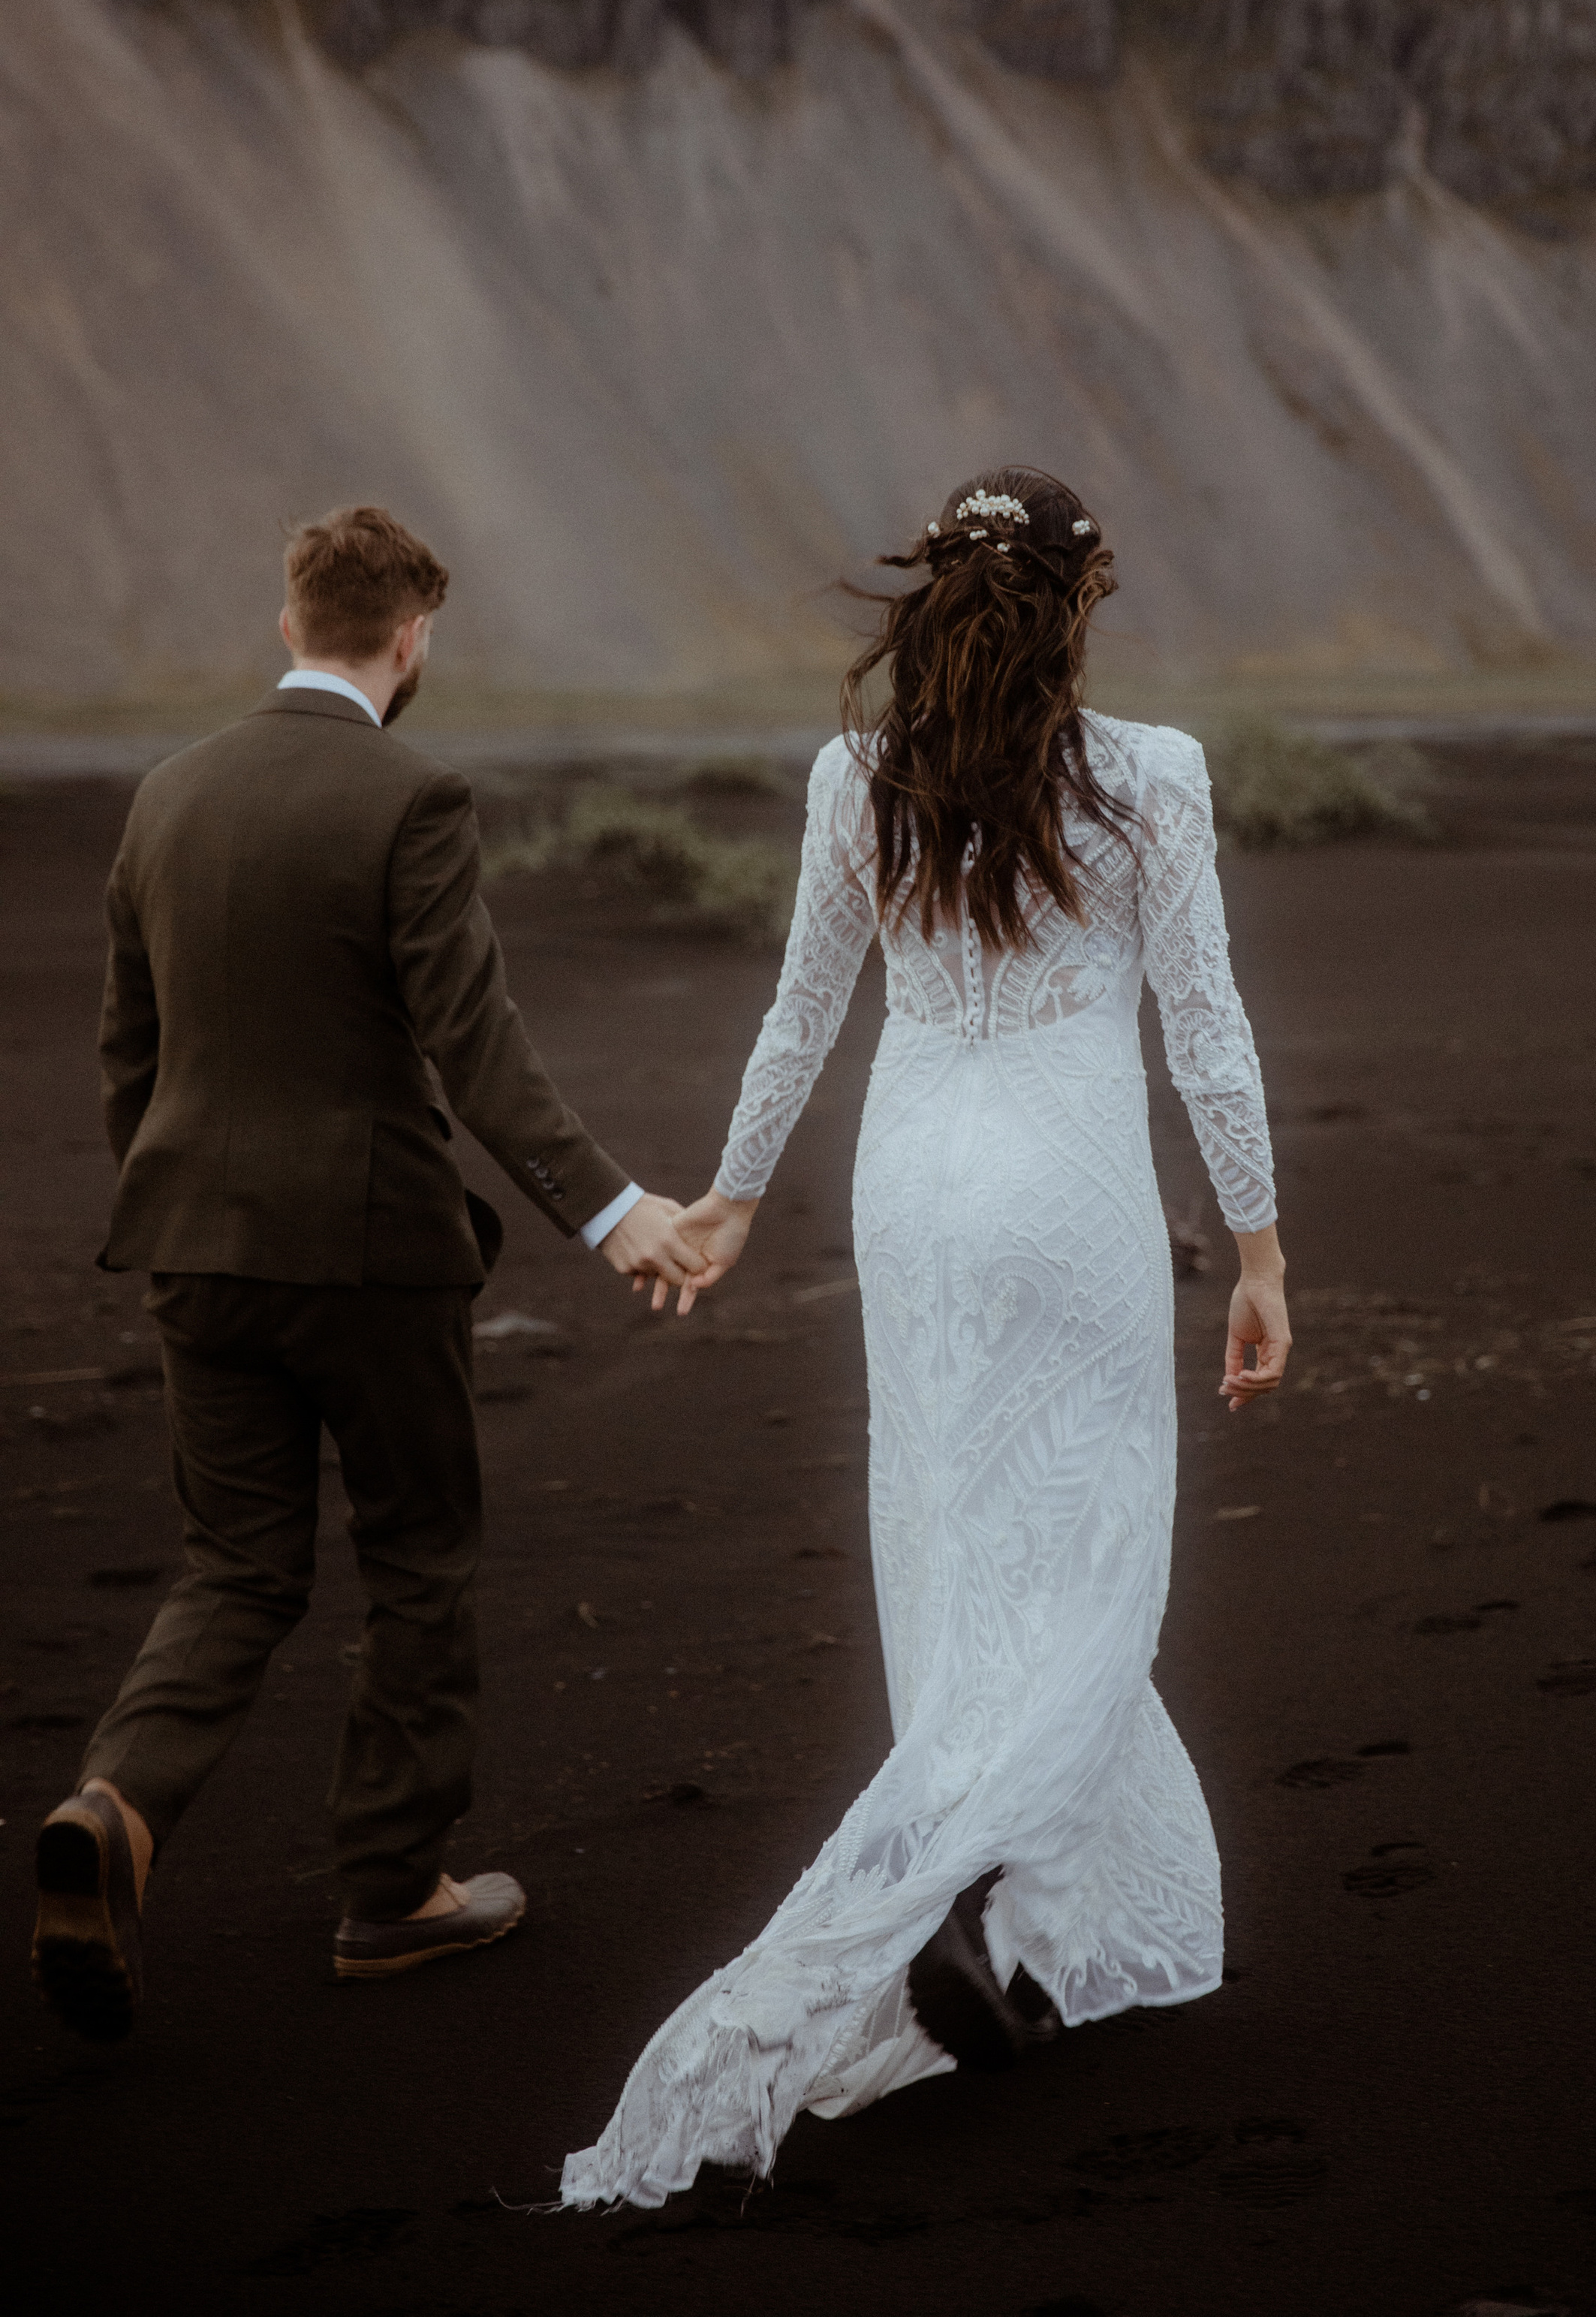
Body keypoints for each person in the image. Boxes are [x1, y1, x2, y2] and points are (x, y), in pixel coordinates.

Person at [561, 468, 1289, 2210]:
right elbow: (1205, 1033)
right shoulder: (1152, 773)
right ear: (1078, 599)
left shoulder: (856, 776)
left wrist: (733, 1197)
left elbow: (801, 1009)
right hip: (1069, 1193)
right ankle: (984, 1892)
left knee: (958, 1546)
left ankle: (1006, 1901)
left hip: (911, 1196)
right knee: (1091, 1558)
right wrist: (1259, 1249)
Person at [30, 505, 703, 2040]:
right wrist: (609, 1210)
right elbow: (475, 1040)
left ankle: (114, 1809)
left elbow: (129, 1052)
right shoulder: (412, 796)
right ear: (411, 638)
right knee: (415, 1554)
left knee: (234, 1567)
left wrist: (174, 1202)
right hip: (368, 1258)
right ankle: (394, 1892)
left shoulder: (165, 793)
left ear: (288, 625)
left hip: (192, 1247)